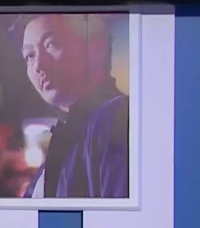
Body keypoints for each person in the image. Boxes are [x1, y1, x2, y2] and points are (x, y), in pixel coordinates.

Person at [15, 14, 129, 199]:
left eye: (51, 44)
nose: (38, 65)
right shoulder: (71, 137)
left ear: (96, 48)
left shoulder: (115, 117)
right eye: (29, 55)